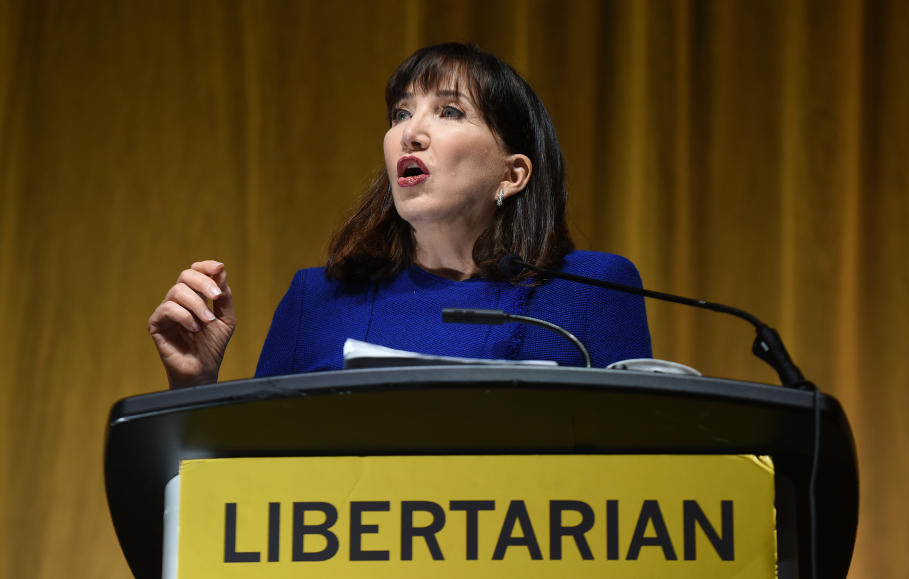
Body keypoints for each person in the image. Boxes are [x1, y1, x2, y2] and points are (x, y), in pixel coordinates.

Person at [148, 43, 653, 389]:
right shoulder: (316, 300)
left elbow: (637, 475)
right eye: (401, 114)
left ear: (513, 174)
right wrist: (194, 384)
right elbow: (251, 491)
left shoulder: (594, 291)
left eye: (449, 111)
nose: (411, 133)